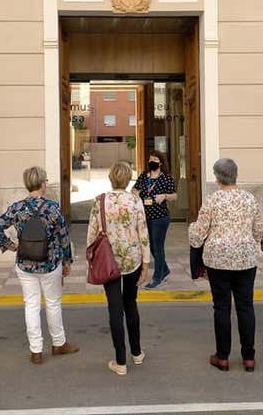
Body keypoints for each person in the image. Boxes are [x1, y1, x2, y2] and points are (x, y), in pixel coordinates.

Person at [0, 166, 79, 364]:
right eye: (45, 180)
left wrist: (11, 246)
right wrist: (67, 261)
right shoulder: (52, 208)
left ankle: (36, 350)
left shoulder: (17, 208)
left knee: (31, 305)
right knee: (53, 303)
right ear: (42, 184)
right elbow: (64, 236)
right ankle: (58, 343)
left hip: (25, 263)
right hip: (50, 263)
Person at [189, 158, 263, 372]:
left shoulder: (212, 200)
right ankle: (249, 357)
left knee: (221, 308)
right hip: (245, 259)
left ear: (217, 177)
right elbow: (259, 231)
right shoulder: (250, 199)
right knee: (246, 306)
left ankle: (222, 356)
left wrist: (192, 232)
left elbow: (198, 235)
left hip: (218, 260)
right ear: (236, 174)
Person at [86, 161, 150, 375]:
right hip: (132, 258)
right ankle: (137, 352)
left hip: (108, 259)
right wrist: (146, 263)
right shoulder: (135, 201)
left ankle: (120, 361)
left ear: (111, 178)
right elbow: (143, 232)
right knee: (131, 303)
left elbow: (92, 233)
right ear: (128, 178)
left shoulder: (100, 201)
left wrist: (90, 258)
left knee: (115, 308)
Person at [133, 151, 177, 289]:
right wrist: (137, 193)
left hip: (160, 218)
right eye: (150, 159)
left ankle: (157, 277)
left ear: (161, 163)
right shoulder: (143, 177)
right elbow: (133, 190)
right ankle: (164, 269)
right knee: (151, 246)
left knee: (158, 247)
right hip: (145, 217)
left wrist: (164, 196)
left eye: (155, 159)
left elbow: (174, 196)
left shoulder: (166, 178)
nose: (151, 161)